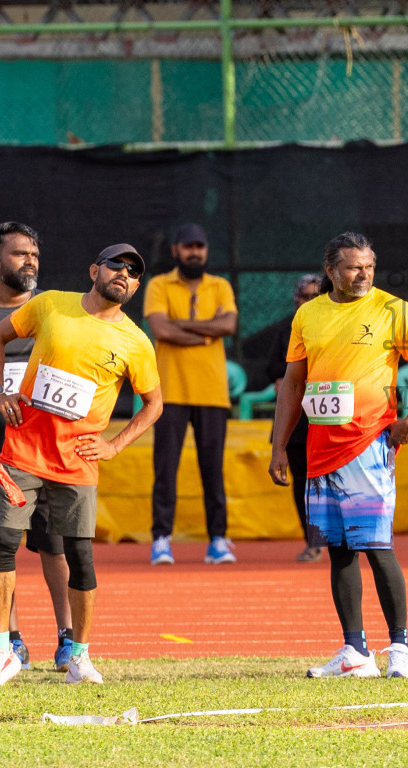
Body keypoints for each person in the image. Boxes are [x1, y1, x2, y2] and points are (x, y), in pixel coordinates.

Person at [0, 244, 162, 687]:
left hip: (77, 462)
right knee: (1, 545)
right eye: (118, 266)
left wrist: (115, 445)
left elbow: (154, 404)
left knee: (79, 557)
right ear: (95, 269)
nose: (125, 275)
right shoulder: (50, 303)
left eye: (134, 273)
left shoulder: (135, 341)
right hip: (22, 452)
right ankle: (1, 650)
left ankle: (79, 655)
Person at [268, 232, 408, 679]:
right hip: (319, 451)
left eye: (368, 265)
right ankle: (354, 651)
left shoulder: (392, 309)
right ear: (331, 270)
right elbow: (293, 383)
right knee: (338, 550)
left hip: (368, 445)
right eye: (353, 267)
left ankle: (401, 649)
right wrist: (278, 446)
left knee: (376, 546)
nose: (363, 274)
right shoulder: (308, 315)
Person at [0, 222, 74, 672]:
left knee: (55, 545)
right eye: (20, 254)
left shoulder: (57, 314)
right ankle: (12, 641)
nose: (30, 262)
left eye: (35, 256)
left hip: (47, 453)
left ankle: (68, 637)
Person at [143, 223, 239, 567]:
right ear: (175, 250)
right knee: (165, 468)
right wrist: (204, 334)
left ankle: (218, 540)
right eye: (188, 246)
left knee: (213, 470)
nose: (194, 252)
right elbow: (159, 329)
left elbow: (228, 326)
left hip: (213, 393)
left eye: (200, 246)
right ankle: (161, 540)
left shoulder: (221, 285)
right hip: (169, 392)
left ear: (206, 250)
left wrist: (181, 325)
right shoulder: (158, 284)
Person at [264, 273, 327, 562]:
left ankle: (345, 539)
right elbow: (272, 366)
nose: (309, 301)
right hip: (298, 419)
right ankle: (313, 541)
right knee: (302, 482)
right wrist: (288, 375)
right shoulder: (288, 328)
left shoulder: (334, 325)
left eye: (316, 296)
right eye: (304, 296)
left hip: (331, 419)